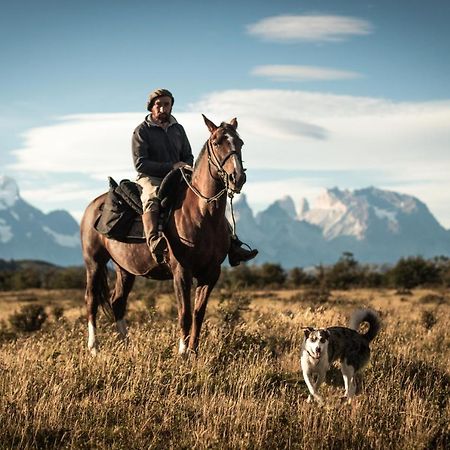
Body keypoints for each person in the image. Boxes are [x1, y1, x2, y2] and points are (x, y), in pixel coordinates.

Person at [132, 88, 258, 266]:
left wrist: (186, 166)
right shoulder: (142, 131)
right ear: (151, 107)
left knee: (208, 201)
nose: (162, 109)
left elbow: (188, 155)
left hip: (179, 174)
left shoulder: (178, 129)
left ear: (171, 107)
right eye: (158, 105)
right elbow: (140, 163)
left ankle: (232, 244)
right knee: (151, 198)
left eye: (166, 105)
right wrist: (171, 166)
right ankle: (154, 241)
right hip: (152, 177)